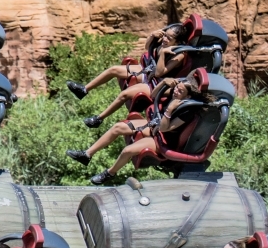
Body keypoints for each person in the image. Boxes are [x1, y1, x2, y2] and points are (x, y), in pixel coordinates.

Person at [66, 73, 208, 183]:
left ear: (188, 96)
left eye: (180, 91)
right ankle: (87, 155)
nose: (176, 91)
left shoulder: (187, 112)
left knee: (128, 150)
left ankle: (110, 173)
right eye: (177, 87)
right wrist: (164, 83)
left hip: (163, 139)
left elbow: (165, 129)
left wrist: (169, 110)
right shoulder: (175, 94)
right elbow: (153, 95)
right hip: (155, 126)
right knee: (118, 128)